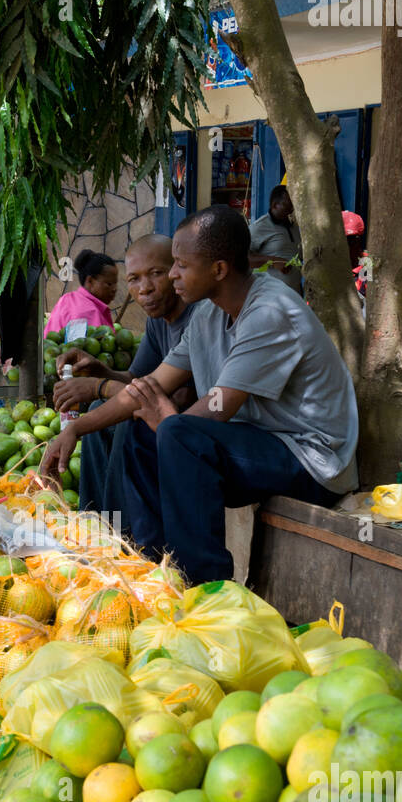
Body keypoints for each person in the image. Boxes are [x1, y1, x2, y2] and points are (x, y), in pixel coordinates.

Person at [42, 205, 358, 585]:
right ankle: (144, 564)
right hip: (256, 443)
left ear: (219, 269)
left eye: (179, 265)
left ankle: (203, 588)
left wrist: (167, 420)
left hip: (310, 459)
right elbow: (150, 386)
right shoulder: (208, 313)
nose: (172, 274)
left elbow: (218, 408)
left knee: (177, 435)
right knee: (138, 428)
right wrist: (76, 430)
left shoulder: (270, 311)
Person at [52, 234, 198, 517]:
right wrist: (99, 370)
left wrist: (99, 386)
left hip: (189, 425)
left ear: (176, 272)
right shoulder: (157, 322)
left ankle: (122, 532)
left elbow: (159, 396)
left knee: (128, 422)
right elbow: (135, 378)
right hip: (164, 416)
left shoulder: (197, 319)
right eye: (133, 279)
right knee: (99, 412)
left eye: (156, 274)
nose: (145, 289)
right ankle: (95, 520)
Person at [45, 250, 118, 334]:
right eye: (109, 284)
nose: (114, 289)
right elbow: (79, 345)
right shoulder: (86, 313)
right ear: (90, 281)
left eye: (115, 283)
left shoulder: (68, 298)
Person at [249, 185, 302, 295]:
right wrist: (273, 261)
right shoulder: (260, 226)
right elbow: (243, 259)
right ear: (274, 205)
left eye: (292, 205)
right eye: (287, 205)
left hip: (294, 296)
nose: (291, 209)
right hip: (270, 297)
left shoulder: (294, 227)